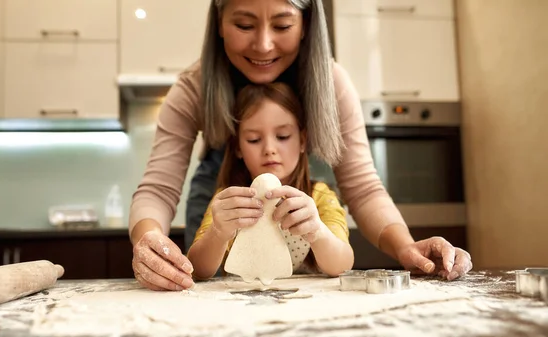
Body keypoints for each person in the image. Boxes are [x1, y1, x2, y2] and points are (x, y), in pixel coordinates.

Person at [129, 0, 473, 292]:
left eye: (281, 25)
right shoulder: (194, 87)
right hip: (224, 187)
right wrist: (150, 242)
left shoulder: (332, 84)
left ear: (306, 24)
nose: (263, 45)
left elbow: (364, 188)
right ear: (219, 23)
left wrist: (405, 246)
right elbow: (158, 189)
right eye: (245, 24)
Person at [187, 83, 354, 279]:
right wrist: (218, 232)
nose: (269, 148)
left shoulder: (319, 197)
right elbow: (197, 269)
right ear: (238, 148)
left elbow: (343, 266)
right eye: (254, 139)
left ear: (302, 141)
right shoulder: (230, 201)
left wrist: (317, 231)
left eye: (282, 136)